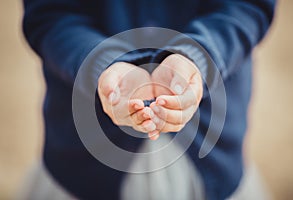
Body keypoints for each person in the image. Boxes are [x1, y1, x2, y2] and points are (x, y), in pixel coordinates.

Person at [22, 0, 276, 199]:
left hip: (214, 151)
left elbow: (246, 6)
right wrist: (101, 64)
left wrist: (200, 56)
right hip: (81, 154)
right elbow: (50, 13)